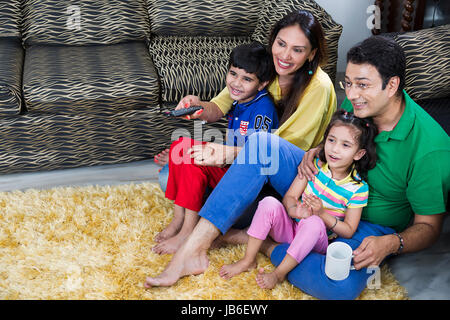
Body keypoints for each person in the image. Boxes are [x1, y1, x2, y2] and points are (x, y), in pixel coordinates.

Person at [144, 9, 337, 289]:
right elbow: (218, 106)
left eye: (297, 50)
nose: (285, 55)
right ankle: (235, 227)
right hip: (250, 171)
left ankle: (195, 245)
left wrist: (228, 153)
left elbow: (280, 149)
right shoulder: (262, 67)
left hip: (292, 179)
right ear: (272, 41)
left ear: (311, 54)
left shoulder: (318, 86)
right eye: (281, 44)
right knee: (173, 169)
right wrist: (196, 108)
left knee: (200, 170)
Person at [219, 110, 378, 289]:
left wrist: (321, 214)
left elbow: (348, 230)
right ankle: (248, 260)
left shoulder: (357, 189)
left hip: (316, 240)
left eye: (345, 145)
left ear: (358, 154)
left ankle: (279, 274)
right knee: (269, 202)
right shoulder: (314, 166)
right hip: (291, 228)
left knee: (313, 223)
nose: (334, 149)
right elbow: (290, 197)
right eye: (331, 140)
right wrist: (294, 209)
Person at [153, 41, 279, 254]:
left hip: (243, 180)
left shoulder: (262, 110)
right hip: (231, 165)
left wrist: (212, 154)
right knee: (180, 146)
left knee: (192, 159)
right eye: (233, 74)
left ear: (262, 84)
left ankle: (187, 232)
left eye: (247, 79)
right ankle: (179, 219)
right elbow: (217, 117)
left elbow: (254, 158)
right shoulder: (241, 99)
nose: (236, 83)